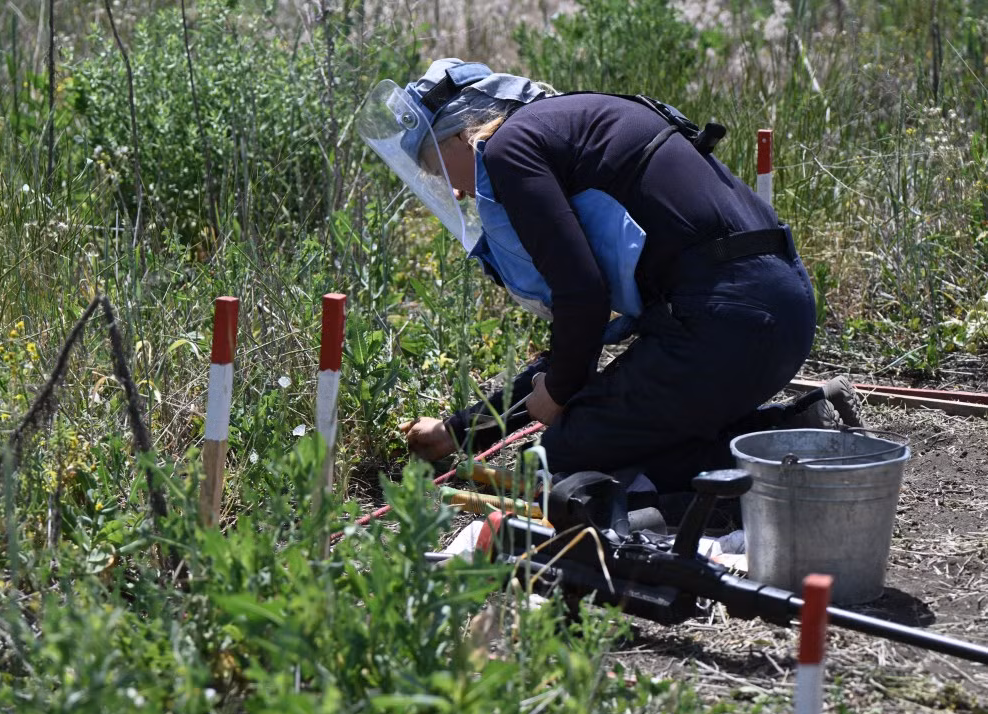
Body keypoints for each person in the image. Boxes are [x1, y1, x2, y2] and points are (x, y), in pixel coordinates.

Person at [357, 58, 859, 494]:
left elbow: (584, 300)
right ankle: (785, 429)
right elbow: (580, 335)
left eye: (436, 169)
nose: (458, 194)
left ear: (461, 134)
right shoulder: (565, 123)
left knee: (565, 453)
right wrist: (459, 431)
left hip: (728, 327)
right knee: (589, 419)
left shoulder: (511, 150)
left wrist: (555, 396)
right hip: (775, 310)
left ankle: (793, 459)